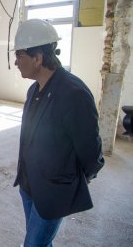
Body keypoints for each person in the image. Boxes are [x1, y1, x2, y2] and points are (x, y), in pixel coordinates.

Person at [12, 19, 105, 247]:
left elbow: (90, 147)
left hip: (53, 190)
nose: (15, 62)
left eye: (19, 56)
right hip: (29, 184)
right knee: (42, 242)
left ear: (38, 58)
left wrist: (85, 176)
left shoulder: (73, 93)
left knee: (33, 244)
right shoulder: (34, 90)